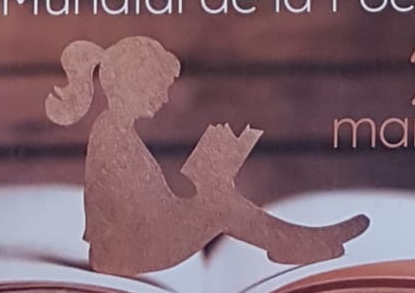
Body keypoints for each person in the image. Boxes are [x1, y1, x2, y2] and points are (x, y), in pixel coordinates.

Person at [46, 35, 368, 277]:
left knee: (219, 201)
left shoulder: (118, 132)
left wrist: (208, 185)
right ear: (135, 85)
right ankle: (299, 243)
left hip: (128, 247)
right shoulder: (111, 135)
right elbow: (139, 216)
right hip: (122, 255)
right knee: (221, 206)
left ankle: (298, 243)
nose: (164, 97)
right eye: (160, 86)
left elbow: (152, 208)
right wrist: (207, 194)